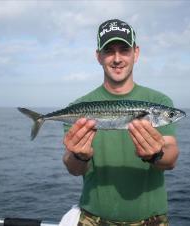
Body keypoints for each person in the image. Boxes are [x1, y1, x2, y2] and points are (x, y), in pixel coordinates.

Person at [62, 19, 180, 226]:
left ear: (136, 53)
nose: (117, 58)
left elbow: (170, 158)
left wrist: (156, 155)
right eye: (109, 51)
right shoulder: (78, 106)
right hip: (93, 218)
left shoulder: (159, 102)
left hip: (151, 219)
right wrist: (79, 156)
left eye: (124, 50)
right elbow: (73, 168)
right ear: (98, 56)